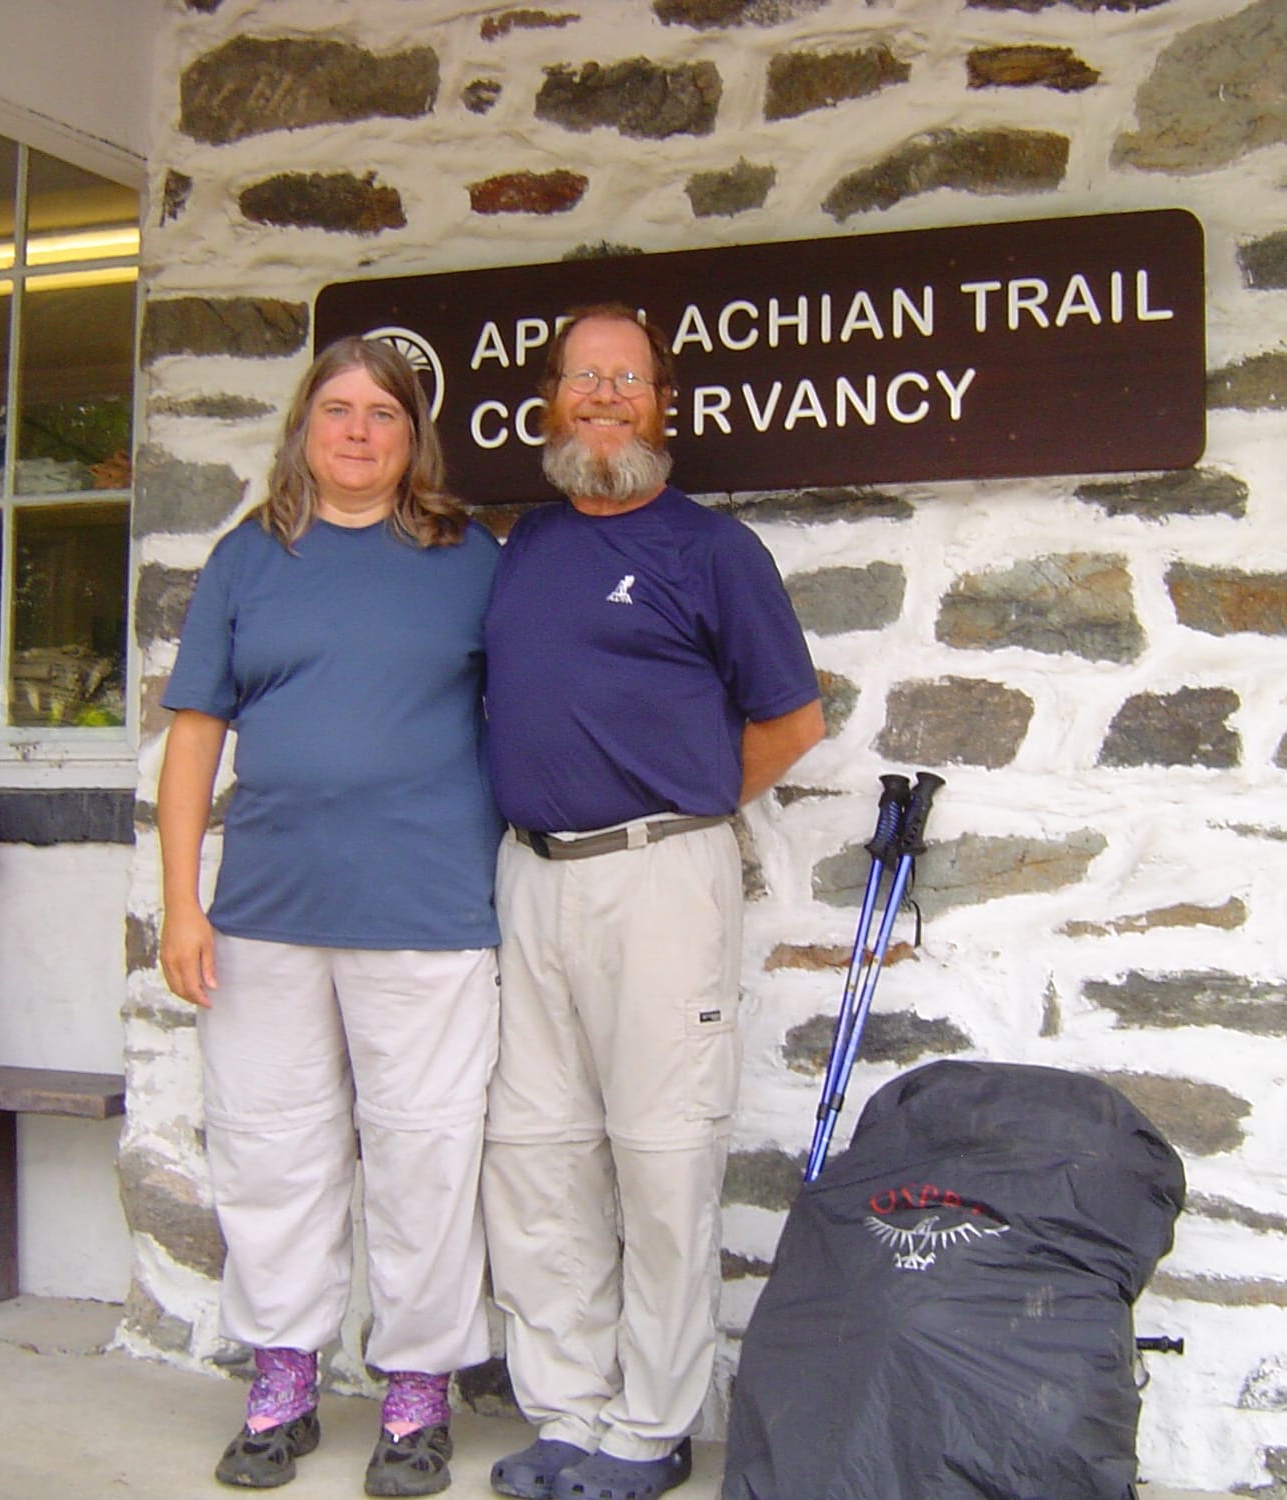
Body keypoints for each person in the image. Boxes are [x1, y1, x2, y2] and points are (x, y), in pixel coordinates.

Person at [480, 304, 825, 1500]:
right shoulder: (520, 543)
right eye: (583, 378)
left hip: (659, 880)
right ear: (551, 402)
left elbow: (791, 720)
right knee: (536, 1153)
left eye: (625, 378)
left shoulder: (711, 550)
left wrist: (679, 806)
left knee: (664, 1154)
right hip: (528, 879)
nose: (604, 397)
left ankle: (652, 1424)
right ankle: (568, 1409)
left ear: (660, 402)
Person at [157, 336, 503, 1497]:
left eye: (382, 415)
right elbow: (196, 733)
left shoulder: (471, 559)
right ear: (304, 427)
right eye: (337, 410)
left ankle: (414, 1393)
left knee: (424, 1156)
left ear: (414, 438)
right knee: (271, 1150)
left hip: (427, 906)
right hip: (265, 909)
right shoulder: (246, 559)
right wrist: (180, 906)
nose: (358, 432)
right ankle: (284, 1380)